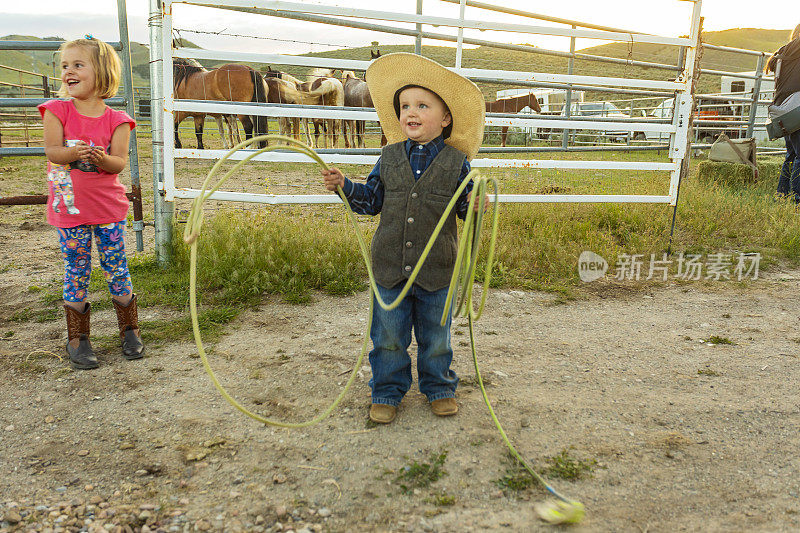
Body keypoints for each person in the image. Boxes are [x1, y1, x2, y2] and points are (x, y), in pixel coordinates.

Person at [321, 53, 486, 424]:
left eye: (422, 105)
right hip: (390, 268)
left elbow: (464, 208)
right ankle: (387, 390)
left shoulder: (458, 163)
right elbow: (372, 201)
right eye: (405, 105)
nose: (411, 112)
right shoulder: (388, 156)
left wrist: (476, 202)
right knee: (389, 338)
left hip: (437, 270)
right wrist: (345, 186)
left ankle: (439, 387)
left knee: (436, 338)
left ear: (445, 119)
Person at [38, 36, 144, 370]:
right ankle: (78, 339)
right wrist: (72, 154)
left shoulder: (118, 120)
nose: (68, 71)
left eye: (77, 65)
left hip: (107, 209)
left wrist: (101, 158)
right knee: (77, 268)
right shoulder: (57, 111)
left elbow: (119, 163)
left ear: (101, 72)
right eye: (64, 66)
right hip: (69, 210)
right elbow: (53, 152)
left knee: (116, 267)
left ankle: (130, 330)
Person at [766, 24, 800, 203]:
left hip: (784, 111)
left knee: (792, 154)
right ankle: (797, 198)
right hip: (796, 109)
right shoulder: (794, 49)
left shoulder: (782, 55)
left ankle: (782, 194)